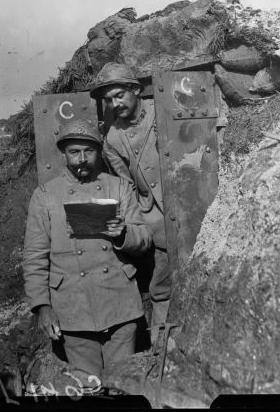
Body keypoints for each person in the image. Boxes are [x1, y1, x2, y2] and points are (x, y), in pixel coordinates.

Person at [23, 119, 152, 387]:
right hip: (73, 309)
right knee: (88, 388)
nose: (82, 159)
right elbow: (35, 258)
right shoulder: (45, 196)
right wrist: (42, 308)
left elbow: (144, 239)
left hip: (119, 306)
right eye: (74, 152)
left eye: (88, 151)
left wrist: (123, 234)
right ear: (64, 154)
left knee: (123, 386)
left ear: (98, 152)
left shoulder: (118, 187)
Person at [90, 63, 171, 338]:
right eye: (109, 100)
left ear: (135, 90)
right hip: (155, 220)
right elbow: (126, 184)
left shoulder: (162, 107)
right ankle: (163, 348)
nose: (114, 104)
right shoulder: (112, 136)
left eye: (119, 96)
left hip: (186, 207)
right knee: (161, 287)